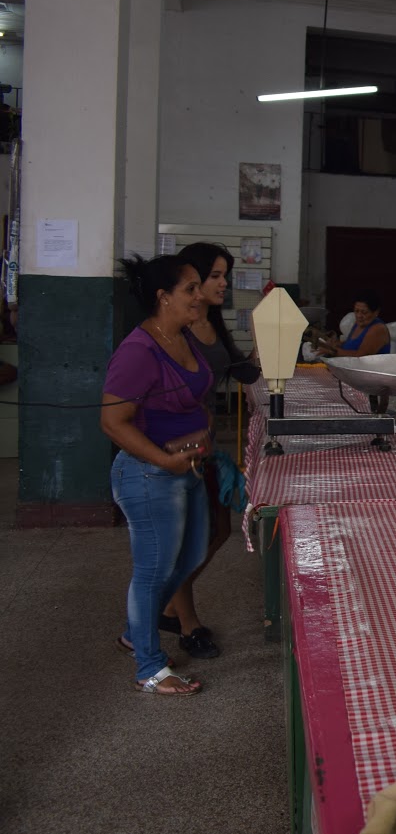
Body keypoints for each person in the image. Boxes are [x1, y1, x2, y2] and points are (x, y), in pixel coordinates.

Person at [100, 255, 212, 697]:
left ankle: (137, 631)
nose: (200, 296)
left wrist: (199, 437)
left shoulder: (182, 336)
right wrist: (164, 461)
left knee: (191, 556)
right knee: (154, 569)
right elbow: (113, 422)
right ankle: (149, 668)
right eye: (191, 289)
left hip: (187, 469)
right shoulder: (138, 351)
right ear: (164, 297)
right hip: (148, 475)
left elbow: (189, 398)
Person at [150, 242, 260, 659]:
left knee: (218, 531)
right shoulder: (177, 329)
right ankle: (186, 622)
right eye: (214, 276)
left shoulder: (212, 322)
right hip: (178, 447)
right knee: (188, 539)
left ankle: (167, 606)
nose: (222, 283)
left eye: (223, 275)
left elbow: (242, 371)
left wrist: (268, 336)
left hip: (204, 443)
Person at [317, 291, 390, 357]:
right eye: (356, 311)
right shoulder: (359, 323)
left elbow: (360, 356)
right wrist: (337, 344)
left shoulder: (378, 329)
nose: (359, 315)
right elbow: (352, 344)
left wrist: (332, 351)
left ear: (376, 312)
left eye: (364, 312)